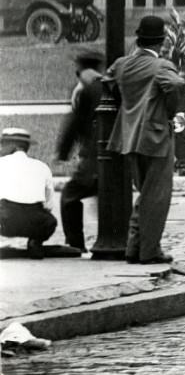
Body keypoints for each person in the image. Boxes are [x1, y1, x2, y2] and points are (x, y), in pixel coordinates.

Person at [106, 15, 184, 264]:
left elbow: (108, 81)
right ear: (161, 42)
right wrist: (169, 112)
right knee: (157, 197)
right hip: (156, 137)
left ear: (138, 39)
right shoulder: (161, 66)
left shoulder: (122, 65)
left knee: (145, 194)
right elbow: (175, 85)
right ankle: (149, 251)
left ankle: (134, 246)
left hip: (128, 138)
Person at [56, 48, 105, 253]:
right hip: (112, 155)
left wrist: (62, 152)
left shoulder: (86, 90)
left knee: (69, 196)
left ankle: (76, 244)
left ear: (81, 70)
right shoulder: (107, 86)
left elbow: (74, 124)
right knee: (106, 200)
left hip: (93, 158)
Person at [0, 128, 56, 259]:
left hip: (5, 220)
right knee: (49, 220)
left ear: (13, 145)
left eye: (3, 144)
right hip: (35, 221)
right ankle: (35, 242)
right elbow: (49, 204)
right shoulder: (42, 166)